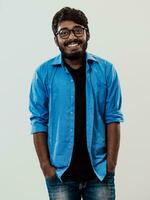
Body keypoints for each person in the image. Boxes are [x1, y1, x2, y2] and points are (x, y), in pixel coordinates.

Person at [29, 7, 124, 200]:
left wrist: (111, 163)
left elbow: (113, 117)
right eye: (64, 32)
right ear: (56, 38)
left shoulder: (106, 71)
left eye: (78, 30)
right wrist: (46, 167)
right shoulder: (43, 74)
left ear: (87, 33)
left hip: (99, 172)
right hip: (60, 174)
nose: (72, 37)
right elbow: (38, 121)